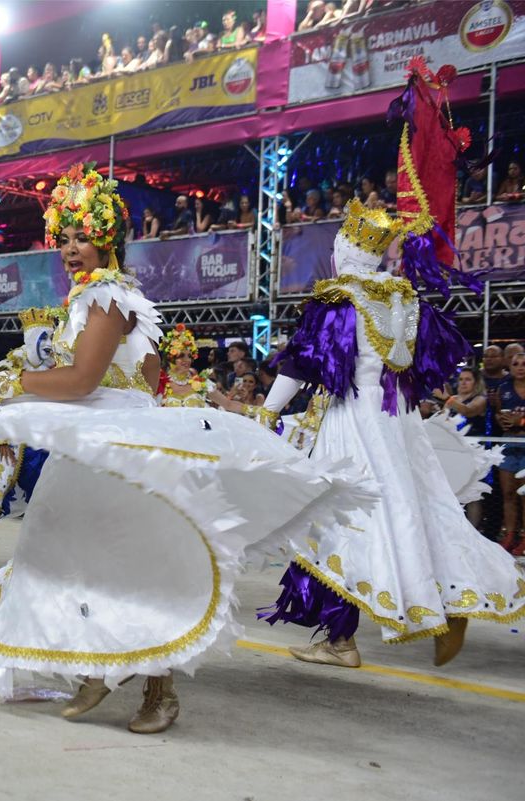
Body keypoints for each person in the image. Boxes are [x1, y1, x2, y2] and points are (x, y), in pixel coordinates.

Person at [0, 163, 374, 734]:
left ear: (108, 239)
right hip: (109, 443)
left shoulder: (106, 295)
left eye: (82, 237)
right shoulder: (116, 297)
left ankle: (142, 682)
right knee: (104, 559)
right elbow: (137, 380)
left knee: (109, 559)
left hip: (113, 449)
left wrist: (14, 383)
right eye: (64, 238)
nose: (70, 249)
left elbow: (83, 380)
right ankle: (116, 672)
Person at [222, 199, 525, 668]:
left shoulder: (339, 298)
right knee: (416, 511)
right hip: (399, 420)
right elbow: (425, 363)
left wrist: (268, 411)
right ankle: (446, 597)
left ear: (345, 251)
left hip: (354, 421)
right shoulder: (404, 298)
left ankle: (346, 638)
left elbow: (302, 363)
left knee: (341, 520)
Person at [0, 309, 56, 555]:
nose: (49, 344)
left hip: (41, 439)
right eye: (43, 338)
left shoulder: (57, 368)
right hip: (10, 438)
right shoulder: (10, 367)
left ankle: (41, 549)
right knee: (0, 484)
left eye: (51, 337)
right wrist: (1, 439)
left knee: (43, 489)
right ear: (30, 339)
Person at [434, 367, 490, 528]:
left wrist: (447, 398)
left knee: (471, 493)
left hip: (473, 452)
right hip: (451, 451)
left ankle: (473, 530)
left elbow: (468, 411)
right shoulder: (453, 399)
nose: (463, 383)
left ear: (476, 383)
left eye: (468, 379)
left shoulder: (480, 399)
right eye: (461, 379)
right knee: (452, 492)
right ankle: (453, 527)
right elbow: (442, 421)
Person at [494, 353, 525, 552]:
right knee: (508, 493)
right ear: (510, 367)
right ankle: (510, 534)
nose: (520, 367)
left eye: (524, 364)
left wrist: (520, 421)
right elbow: (498, 413)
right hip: (509, 442)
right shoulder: (503, 389)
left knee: (524, 494)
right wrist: (502, 420)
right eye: (516, 364)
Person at [158, 324, 210, 407]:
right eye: (181, 356)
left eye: (189, 356)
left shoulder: (201, 382)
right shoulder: (159, 383)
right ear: (170, 358)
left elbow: (228, 404)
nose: (187, 360)